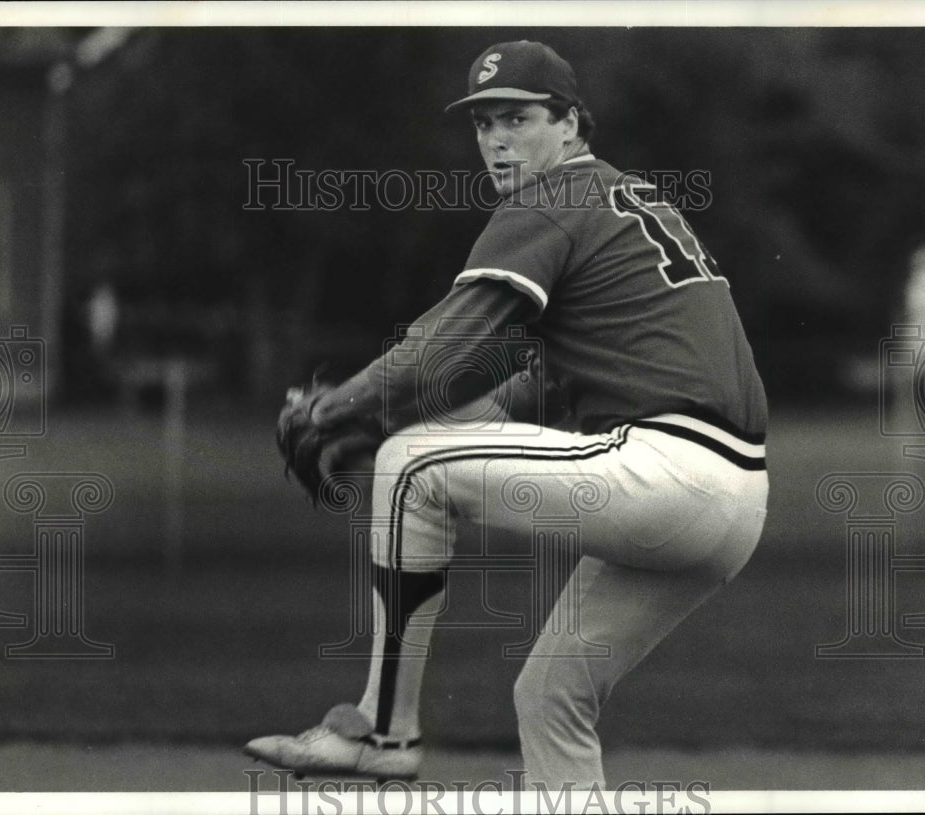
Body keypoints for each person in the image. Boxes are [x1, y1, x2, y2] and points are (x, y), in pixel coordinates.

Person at [245, 40, 769, 789]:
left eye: (517, 118)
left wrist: (332, 412)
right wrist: (378, 429)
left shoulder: (547, 200)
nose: (496, 140)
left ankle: (383, 735)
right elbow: (525, 395)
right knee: (551, 694)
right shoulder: (622, 202)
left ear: (570, 124)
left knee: (413, 466)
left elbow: (438, 352)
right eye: (484, 123)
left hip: (672, 470)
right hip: (732, 499)